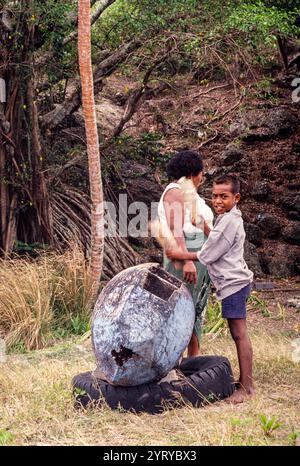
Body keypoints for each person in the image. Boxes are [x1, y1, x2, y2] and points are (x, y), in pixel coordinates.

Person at [166, 174, 254, 403]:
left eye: (224, 197)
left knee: (239, 334)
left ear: (236, 198)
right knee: (238, 333)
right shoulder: (226, 218)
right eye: (214, 196)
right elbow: (214, 237)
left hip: (233, 284)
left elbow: (208, 254)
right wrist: (203, 225)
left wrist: (179, 254)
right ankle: (245, 382)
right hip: (232, 283)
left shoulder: (230, 221)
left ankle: (246, 387)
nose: (217, 201)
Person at [157, 150, 214, 357]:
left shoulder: (189, 194)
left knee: (195, 310)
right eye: (201, 173)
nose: (202, 178)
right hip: (186, 257)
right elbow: (176, 230)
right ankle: (175, 363)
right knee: (181, 309)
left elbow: (200, 225)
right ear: (192, 173)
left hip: (198, 256)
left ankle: (193, 364)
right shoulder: (175, 191)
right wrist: (187, 261)